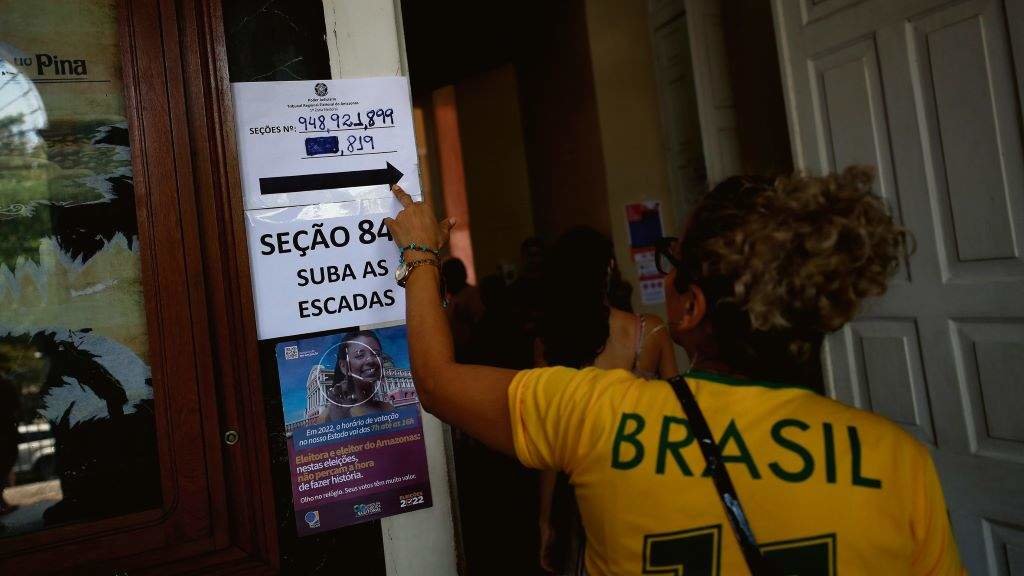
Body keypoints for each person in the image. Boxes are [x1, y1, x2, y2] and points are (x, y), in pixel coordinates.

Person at [383, 168, 963, 575]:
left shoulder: (599, 413)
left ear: (692, 306)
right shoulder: (895, 461)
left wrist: (420, 253)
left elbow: (434, 381)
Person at [536, 226, 678, 572]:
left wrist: (544, 520)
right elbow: (680, 419)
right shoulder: (651, 331)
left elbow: (549, 444)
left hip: (582, 495)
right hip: (647, 481)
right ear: (610, 269)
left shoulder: (551, 343)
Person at [318, 331, 394, 421]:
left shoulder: (389, 408)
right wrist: (340, 421)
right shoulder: (327, 417)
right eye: (360, 355)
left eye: (377, 354)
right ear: (344, 366)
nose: (371, 361)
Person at [441, 257, 484, 362]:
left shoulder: (471, 295)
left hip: (471, 354)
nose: (445, 282)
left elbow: (478, 324)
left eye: (446, 278)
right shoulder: (453, 298)